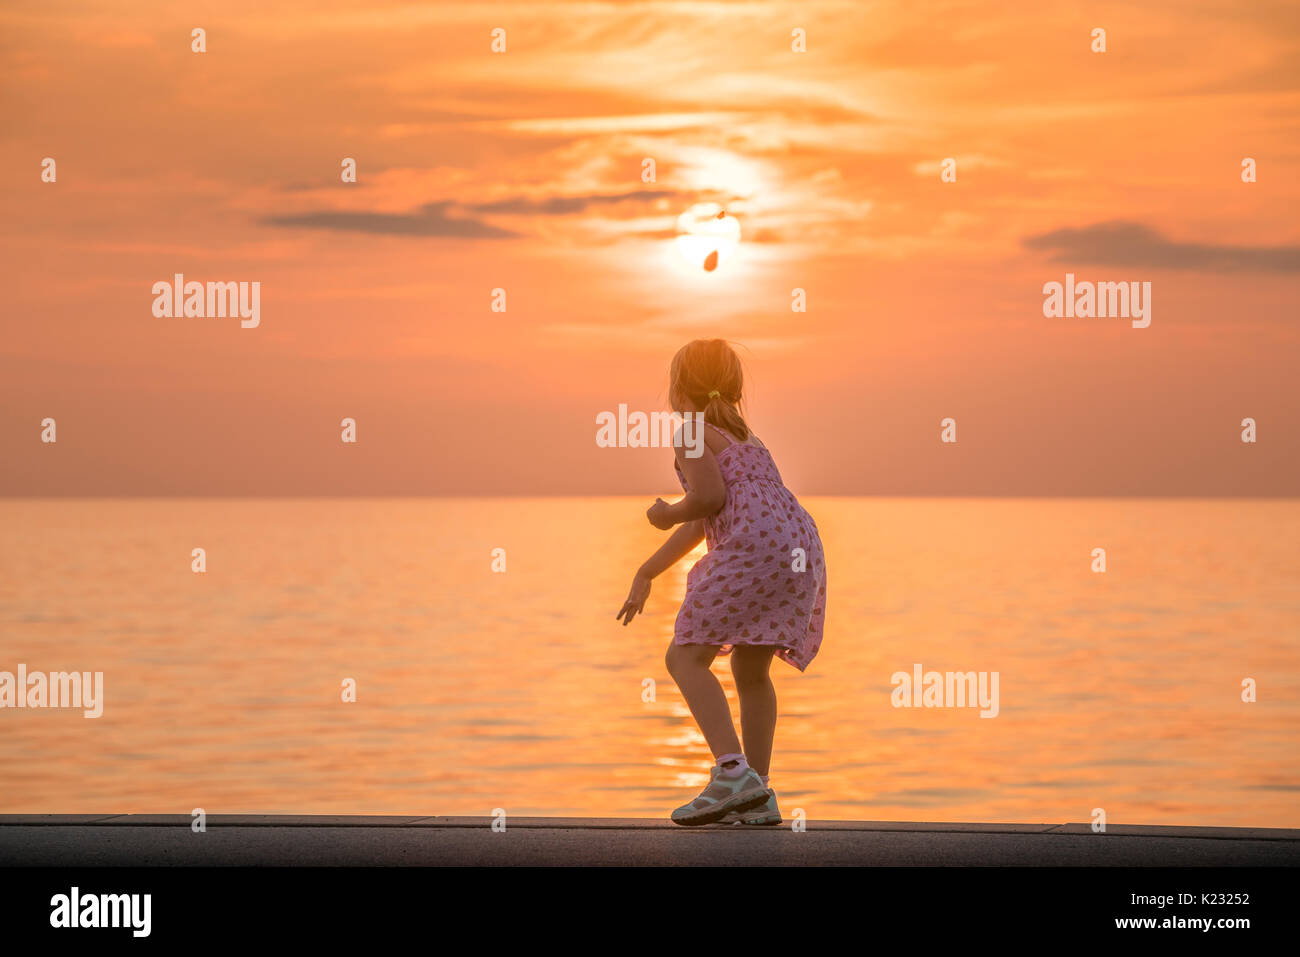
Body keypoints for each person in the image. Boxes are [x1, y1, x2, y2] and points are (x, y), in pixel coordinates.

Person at [616, 339, 827, 826]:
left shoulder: (690, 431)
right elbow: (708, 522)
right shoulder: (750, 440)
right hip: (794, 550)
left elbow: (706, 500)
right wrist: (648, 571)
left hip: (753, 548)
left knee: (683, 657)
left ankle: (732, 773)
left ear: (676, 389)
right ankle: (759, 792)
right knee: (752, 673)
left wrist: (667, 513)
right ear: (733, 386)